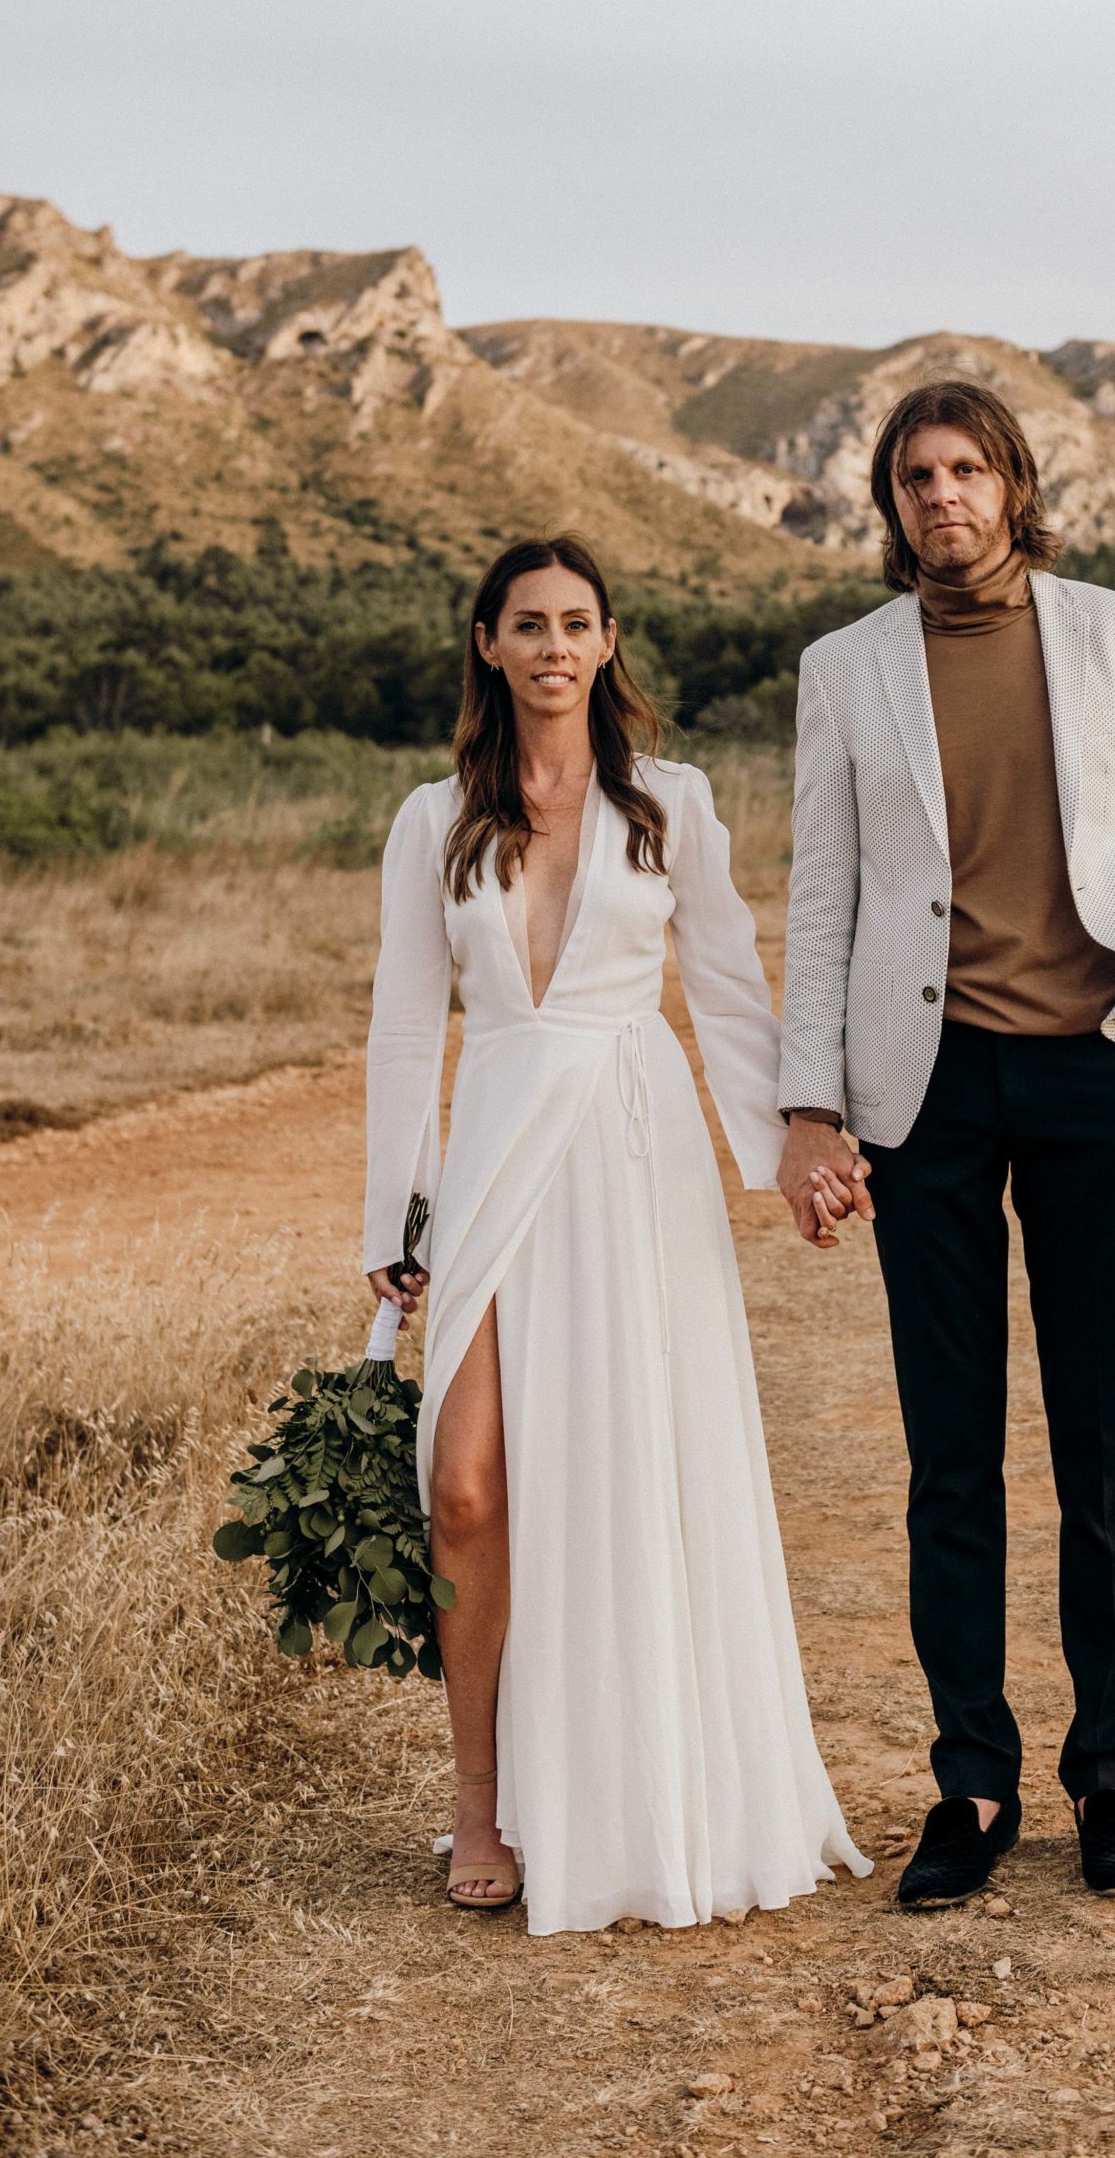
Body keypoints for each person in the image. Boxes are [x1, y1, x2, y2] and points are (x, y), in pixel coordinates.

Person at [365, 533, 869, 1930]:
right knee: (462, 1484)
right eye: (525, 623)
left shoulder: (673, 807)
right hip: (495, 1152)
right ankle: (478, 1800)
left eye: (575, 622)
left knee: (631, 1467)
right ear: (487, 644)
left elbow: (723, 990)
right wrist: (392, 1221)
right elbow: (409, 1031)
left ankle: (642, 1789)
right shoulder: (431, 819)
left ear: (606, 642)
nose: (551, 646)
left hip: (634, 1146)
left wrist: (786, 1154)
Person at [777, 380, 1115, 1907]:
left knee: (1101, 1440)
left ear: (1015, 484)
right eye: (914, 475)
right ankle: (969, 1781)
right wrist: (804, 1103)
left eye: (967, 469)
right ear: (887, 503)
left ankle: (1108, 1775)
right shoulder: (844, 667)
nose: (941, 495)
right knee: (949, 1453)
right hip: (925, 1089)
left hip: (1095, 1067)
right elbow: (822, 895)